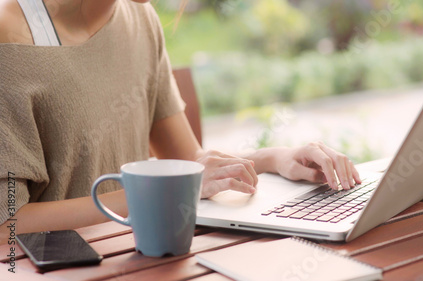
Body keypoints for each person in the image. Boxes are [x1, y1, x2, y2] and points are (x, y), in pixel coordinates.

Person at [0, 0, 361, 244]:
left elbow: (190, 165)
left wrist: (274, 159)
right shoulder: (9, 37)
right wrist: (158, 195)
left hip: (135, 259)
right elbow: (7, 225)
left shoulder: (140, 20)